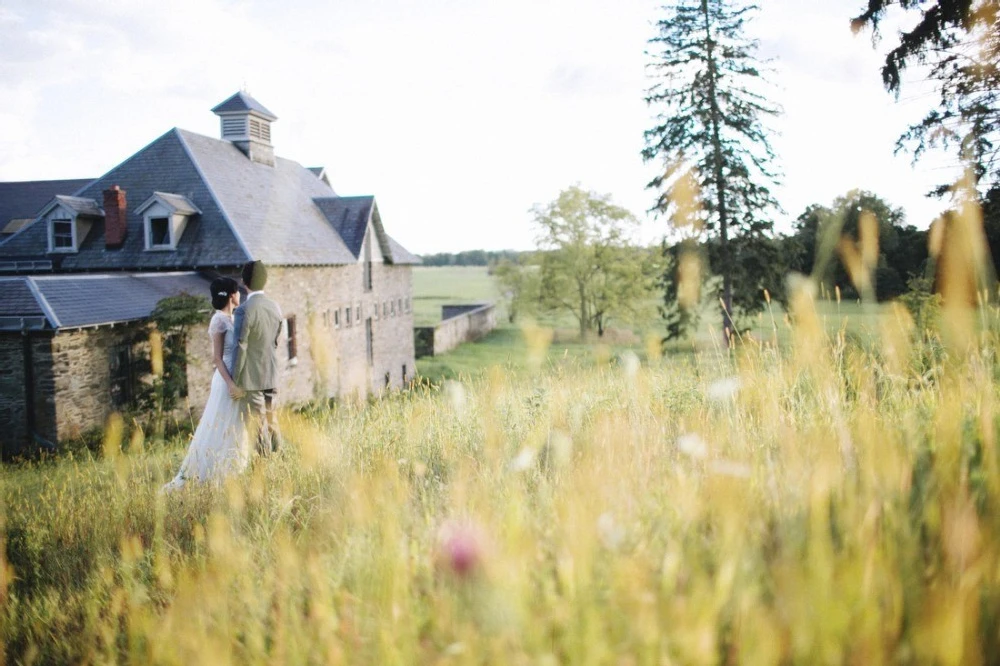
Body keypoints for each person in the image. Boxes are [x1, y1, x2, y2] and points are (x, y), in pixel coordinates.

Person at [163, 277, 250, 491]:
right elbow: (217, 358)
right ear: (231, 295)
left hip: (238, 378)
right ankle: (208, 474)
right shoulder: (219, 320)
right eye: (237, 292)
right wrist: (231, 384)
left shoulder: (233, 318)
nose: (240, 295)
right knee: (219, 425)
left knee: (235, 427)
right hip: (225, 380)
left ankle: (232, 470)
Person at [229, 260, 283, 455]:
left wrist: (235, 380)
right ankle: (282, 460)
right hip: (271, 372)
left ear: (244, 282)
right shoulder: (275, 307)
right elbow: (276, 340)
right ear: (265, 281)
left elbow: (240, 345)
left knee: (257, 427)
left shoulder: (244, 310)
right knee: (272, 420)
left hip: (251, 378)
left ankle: (265, 467)